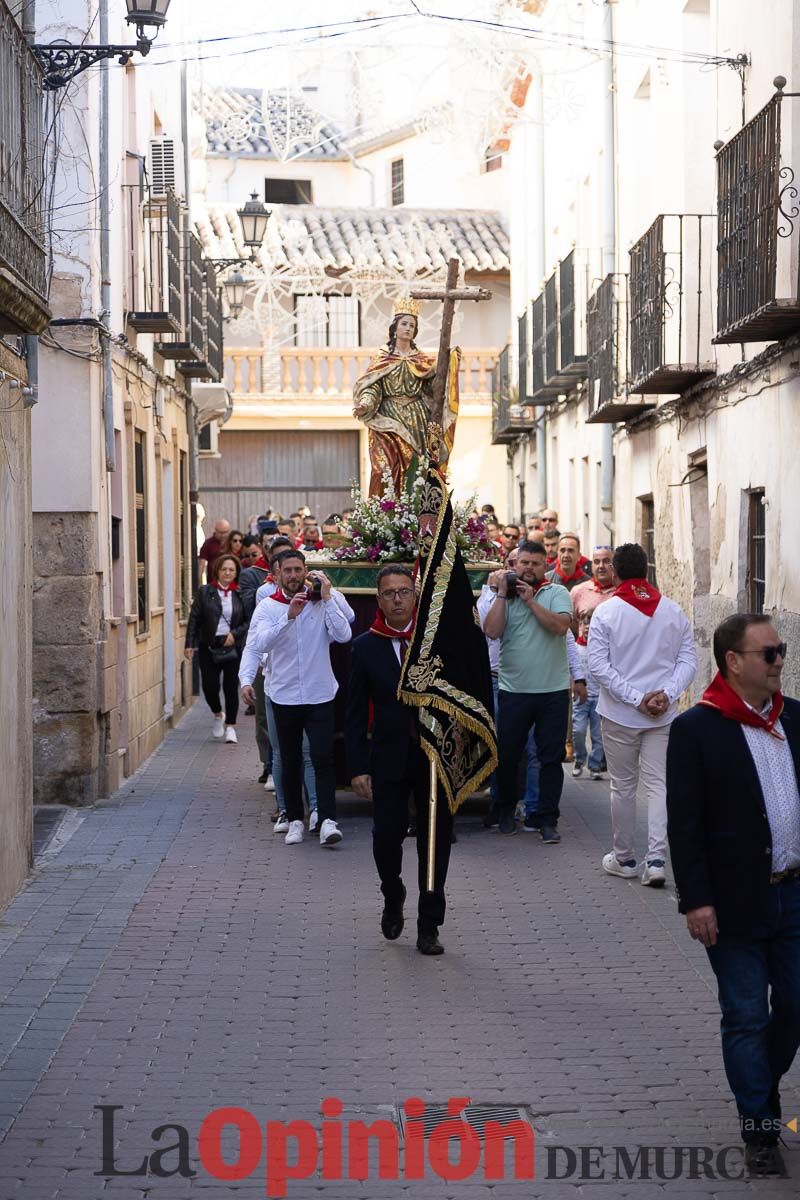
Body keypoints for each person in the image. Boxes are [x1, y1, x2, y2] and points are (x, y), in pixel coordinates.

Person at [667, 615, 799, 1178]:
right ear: (733, 661)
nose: (778, 661)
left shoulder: (795, 717)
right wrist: (697, 900)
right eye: (768, 653)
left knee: (794, 1007)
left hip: (794, 896)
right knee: (745, 1016)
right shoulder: (697, 729)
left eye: (781, 651)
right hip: (733, 902)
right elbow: (685, 824)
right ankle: (760, 1128)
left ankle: (758, 1087)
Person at [346, 566, 453, 956]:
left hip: (433, 757)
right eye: (389, 593)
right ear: (379, 600)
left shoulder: (437, 643)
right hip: (388, 757)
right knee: (385, 838)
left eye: (403, 592)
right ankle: (393, 892)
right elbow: (355, 713)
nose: (396, 599)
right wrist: (357, 767)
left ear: (415, 596)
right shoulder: (365, 647)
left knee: (434, 840)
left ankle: (429, 925)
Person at [588, 542, 696, 886]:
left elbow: (597, 667)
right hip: (661, 716)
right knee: (659, 786)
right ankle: (657, 860)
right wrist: (665, 694)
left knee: (622, 786)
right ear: (647, 570)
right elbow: (688, 660)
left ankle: (624, 857)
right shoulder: (672, 610)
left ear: (616, 572)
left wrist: (636, 698)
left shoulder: (606, 612)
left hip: (621, 714)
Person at [241, 550, 351, 847]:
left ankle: (327, 819)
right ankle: (293, 819)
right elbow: (258, 644)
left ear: (306, 571)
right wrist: (289, 618)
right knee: (288, 761)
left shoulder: (322, 600)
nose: (293, 575)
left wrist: (329, 597)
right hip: (284, 694)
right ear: (277, 574)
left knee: (322, 757)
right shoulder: (267, 606)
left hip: (319, 693)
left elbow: (343, 634)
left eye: (298, 569)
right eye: (287, 570)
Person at [482, 540, 573, 841]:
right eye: (524, 563)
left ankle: (546, 818)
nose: (529, 568)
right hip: (514, 690)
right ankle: (505, 810)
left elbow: (560, 627)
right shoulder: (503, 597)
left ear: (545, 565)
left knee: (550, 758)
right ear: (514, 564)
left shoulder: (557, 593)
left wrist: (532, 601)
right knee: (507, 756)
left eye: (535, 563)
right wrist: (501, 595)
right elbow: (492, 632)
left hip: (552, 691)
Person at [352, 295, 459, 497]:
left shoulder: (423, 360)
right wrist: (365, 404)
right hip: (386, 418)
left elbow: (433, 391)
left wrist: (448, 363)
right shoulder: (382, 358)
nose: (408, 328)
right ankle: (383, 514)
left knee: (414, 469)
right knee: (381, 470)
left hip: (415, 419)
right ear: (395, 328)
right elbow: (373, 387)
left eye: (412, 325)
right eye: (404, 324)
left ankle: (410, 516)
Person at [184, 554, 247, 744]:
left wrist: (234, 635)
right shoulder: (205, 592)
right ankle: (218, 713)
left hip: (232, 646)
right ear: (217, 571)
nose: (227, 573)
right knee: (210, 687)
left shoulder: (241, 594)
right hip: (209, 646)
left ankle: (231, 727)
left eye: (231, 570)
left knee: (230, 687)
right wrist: (189, 644)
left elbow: (249, 621)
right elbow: (194, 619)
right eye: (224, 569)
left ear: (236, 573)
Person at [569, 546, 616, 779]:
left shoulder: (619, 594)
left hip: (608, 665)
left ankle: (596, 764)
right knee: (578, 726)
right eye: (597, 561)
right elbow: (569, 624)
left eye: (606, 561)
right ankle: (580, 757)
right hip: (582, 658)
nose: (601, 566)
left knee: (599, 728)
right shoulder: (579, 591)